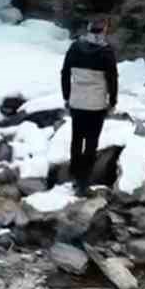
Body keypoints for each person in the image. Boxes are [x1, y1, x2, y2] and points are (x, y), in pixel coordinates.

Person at [61, 16, 118, 192]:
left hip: (77, 102)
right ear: (104, 30)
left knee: (76, 139)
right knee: (91, 142)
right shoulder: (106, 51)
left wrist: (67, 96)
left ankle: (75, 175)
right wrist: (112, 100)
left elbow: (65, 73)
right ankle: (84, 182)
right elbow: (112, 79)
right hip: (96, 104)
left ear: (88, 29)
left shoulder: (75, 47)